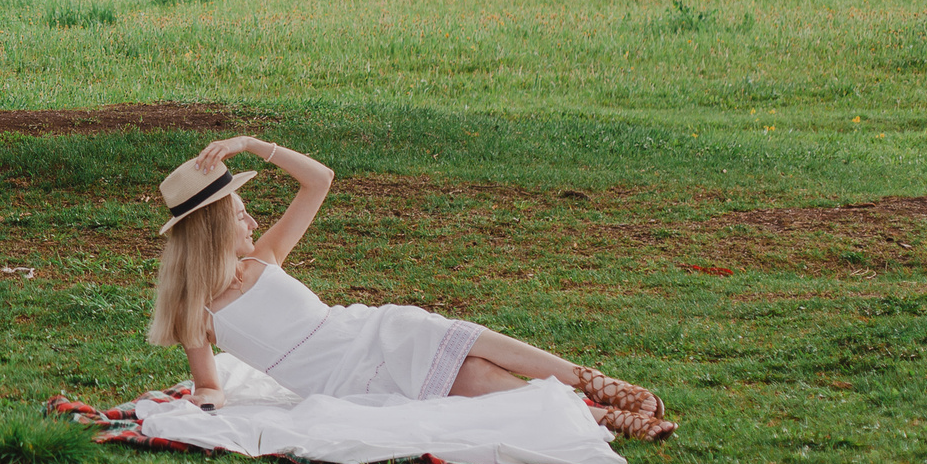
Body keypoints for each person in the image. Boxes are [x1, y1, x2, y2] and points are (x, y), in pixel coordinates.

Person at [147, 136, 676, 440]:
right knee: (473, 376)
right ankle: (602, 416)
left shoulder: (261, 260)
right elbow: (209, 386)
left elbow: (320, 180)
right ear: (214, 228)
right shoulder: (200, 313)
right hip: (347, 378)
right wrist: (205, 405)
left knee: (463, 339)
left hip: (368, 328)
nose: (253, 223)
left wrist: (253, 145)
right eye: (240, 214)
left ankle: (597, 384)